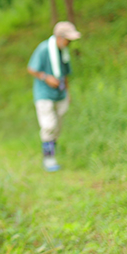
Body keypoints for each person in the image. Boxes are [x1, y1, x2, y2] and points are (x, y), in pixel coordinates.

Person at [27, 21, 82, 172]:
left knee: (57, 128)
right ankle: (49, 159)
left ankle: (51, 156)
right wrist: (46, 77)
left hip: (60, 94)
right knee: (49, 126)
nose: (69, 42)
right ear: (59, 37)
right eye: (68, 39)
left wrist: (68, 93)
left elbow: (65, 74)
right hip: (44, 94)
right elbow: (31, 68)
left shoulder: (63, 52)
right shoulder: (44, 49)